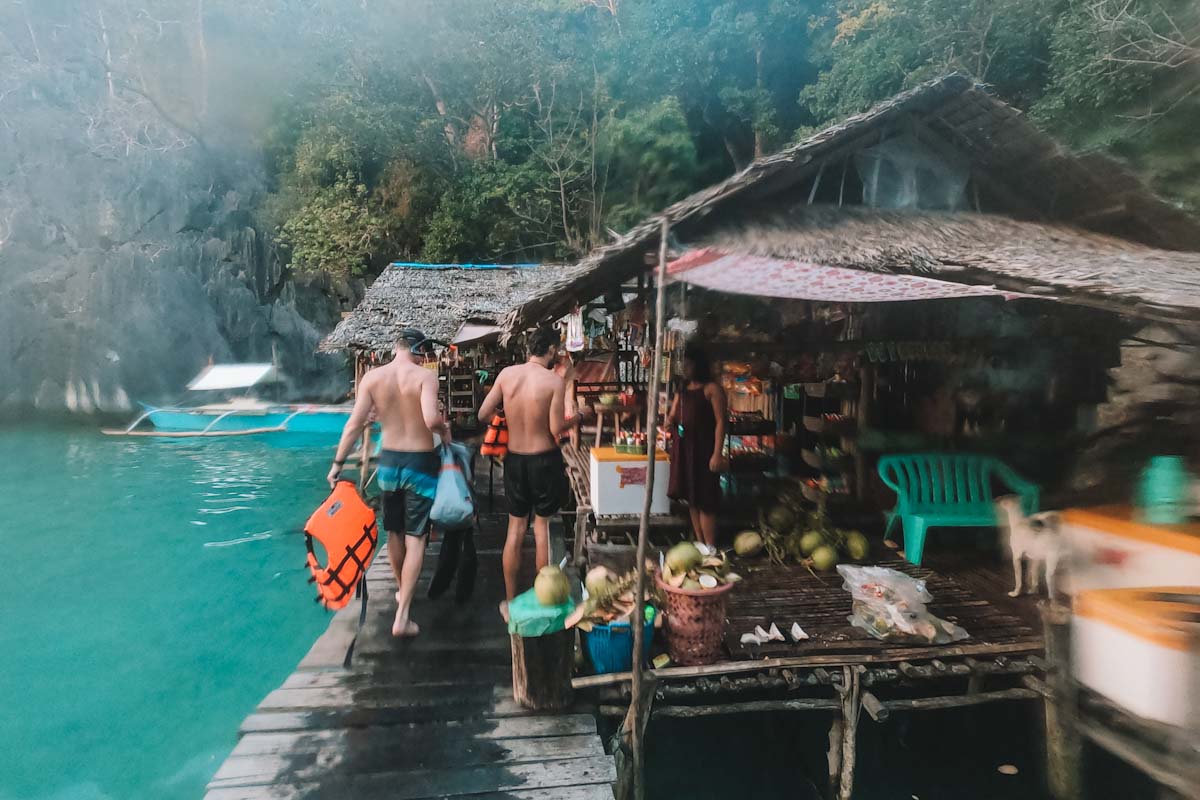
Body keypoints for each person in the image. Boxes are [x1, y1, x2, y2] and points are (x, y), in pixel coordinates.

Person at [327, 328, 448, 638]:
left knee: (394, 530)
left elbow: (354, 424)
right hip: (420, 462)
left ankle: (400, 589)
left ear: (395, 347)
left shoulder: (371, 378)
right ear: (419, 349)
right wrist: (445, 433)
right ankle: (403, 615)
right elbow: (431, 419)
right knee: (416, 537)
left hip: (389, 463)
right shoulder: (424, 377)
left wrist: (337, 464)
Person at [478, 326, 582, 621]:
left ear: (528, 350)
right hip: (544, 460)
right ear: (550, 350)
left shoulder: (507, 375)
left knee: (514, 530)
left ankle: (510, 605)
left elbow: (483, 414)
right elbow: (555, 429)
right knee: (541, 529)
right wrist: (578, 418)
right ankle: (541, 599)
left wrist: (508, 416)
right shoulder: (553, 381)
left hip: (515, 460)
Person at [667, 341, 728, 547]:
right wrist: (669, 421)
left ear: (698, 365)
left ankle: (710, 546)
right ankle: (701, 544)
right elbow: (673, 414)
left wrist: (717, 454)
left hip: (704, 450)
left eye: (688, 364)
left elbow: (721, 422)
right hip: (685, 450)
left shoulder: (712, 390)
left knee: (706, 501)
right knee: (692, 499)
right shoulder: (682, 389)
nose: (685, 368)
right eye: (684, 364)